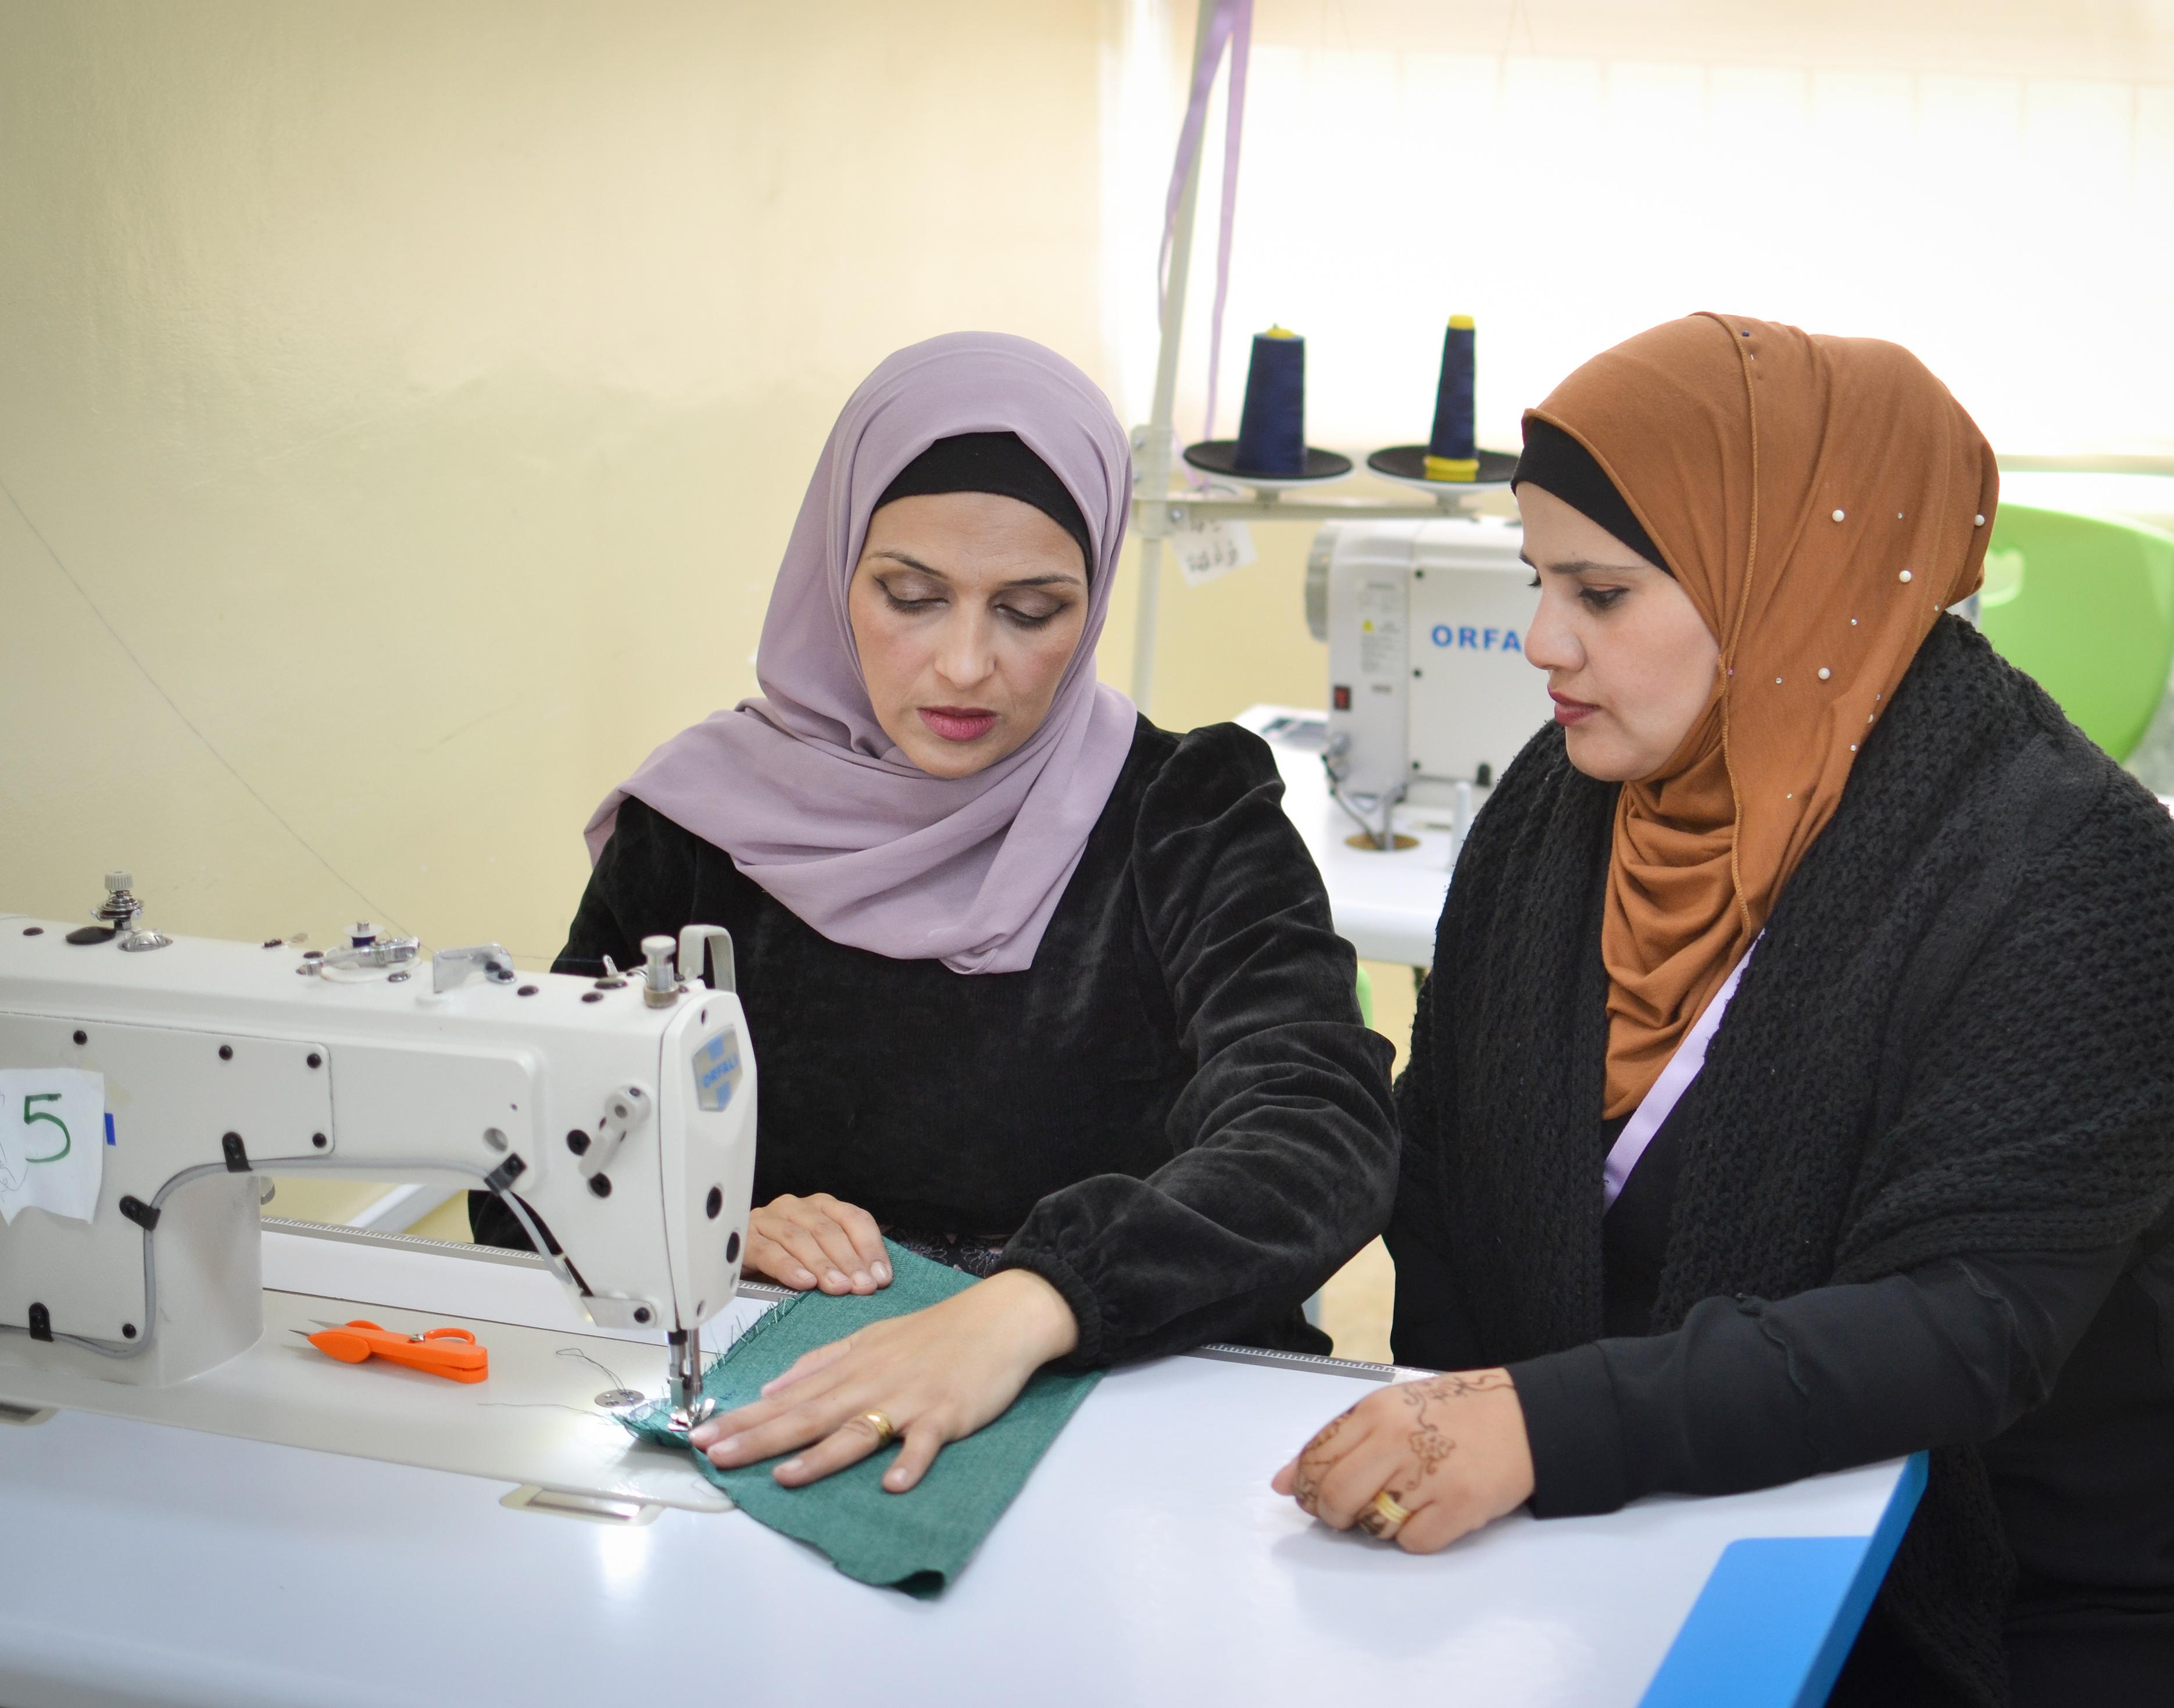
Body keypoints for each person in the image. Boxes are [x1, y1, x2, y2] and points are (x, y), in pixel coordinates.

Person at [1272, 314, 2174, 1707]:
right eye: (1536, 582)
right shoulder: (1557, 808)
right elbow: (1443, 1174)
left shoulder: (2071, 870)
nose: (1537, 642)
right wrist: (1456, 1437)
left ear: (1785, 581)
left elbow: (1964, 1320)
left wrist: (1542, 1427)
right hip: (1609, 1531)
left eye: (1602, 593)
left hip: (1992, 1588)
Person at [475, 331, 1397, 1495]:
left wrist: (1036, 1301)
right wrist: (691, 1224)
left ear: (1097, 592)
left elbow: (1321, 1133)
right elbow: (524, 1169)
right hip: (777, 1423)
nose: (966, 665)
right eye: (910, 598)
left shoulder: (1189, 818)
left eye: (1031, 611)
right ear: (833, 576)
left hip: (1129, 1430)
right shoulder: (700, 831)